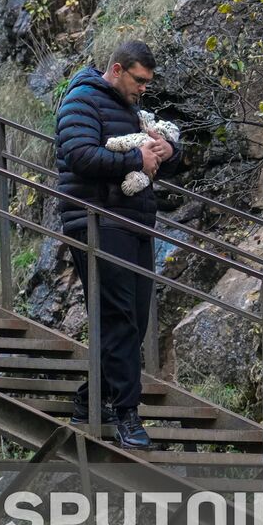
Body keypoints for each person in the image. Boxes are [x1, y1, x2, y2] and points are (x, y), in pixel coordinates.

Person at [55, 39, 182, 449]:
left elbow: (148, 153)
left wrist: (168, 151)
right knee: (120, 317)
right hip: (97, 222)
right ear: (117, 69)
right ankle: (127, 414)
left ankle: (89, 401)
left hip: (134, 223)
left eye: (147, 82)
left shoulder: (129, 108)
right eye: (139, 80)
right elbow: (77, 154)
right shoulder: (83, 99)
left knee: (132, 319)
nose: (144, 88)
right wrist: (134, 161)